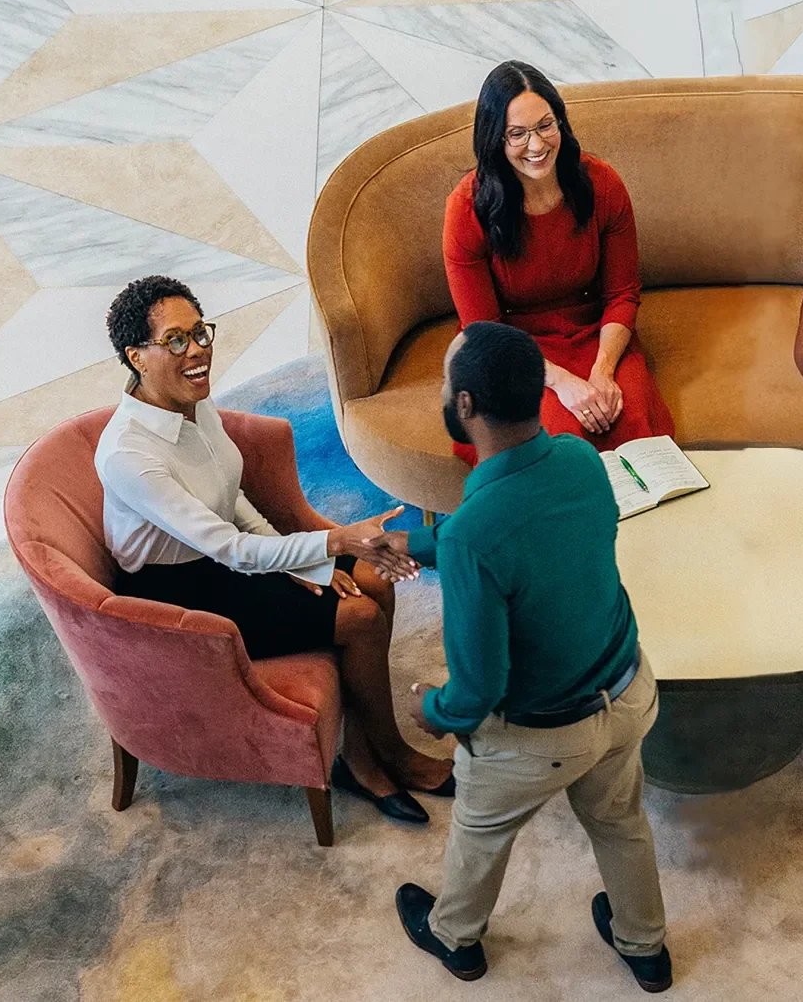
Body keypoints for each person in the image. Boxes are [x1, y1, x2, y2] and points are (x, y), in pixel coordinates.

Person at [97, 275, 452, 823]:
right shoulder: (129, 454)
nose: (197, 352)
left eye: (200, 332)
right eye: (175, 340)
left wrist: (304, 557)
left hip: (224, 556)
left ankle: (362, 752)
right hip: (178, 594)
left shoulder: (193, 402)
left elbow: (230, 497)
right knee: (358, 618)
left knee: (375, 580)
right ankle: (392, 757)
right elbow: (227, 548)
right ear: (136, 357)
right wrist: (335, 540)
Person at [380, 322, 671, 992]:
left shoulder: (475, 541)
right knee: (621, 823)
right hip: (627, 695)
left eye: (446, 377)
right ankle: (646, 949)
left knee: (479, 835)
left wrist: (432, 709)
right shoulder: (577, 458)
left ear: (465, 407)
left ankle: (456, 940)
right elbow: (504, 523)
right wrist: (412, 545)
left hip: (541, 736)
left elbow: (478, 691)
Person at [442, 60, 674, 465]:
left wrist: (602, 372)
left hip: (596, 335)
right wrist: (563, 383)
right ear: (495, 138)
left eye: (545, 126)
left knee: (633, 423)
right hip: (511, 351)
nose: (536, 145)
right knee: (557, 439)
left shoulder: (602, 183)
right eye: (517, 134)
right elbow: (483, 329)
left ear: (561, 122)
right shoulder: (467, 208)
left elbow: (622, 293)